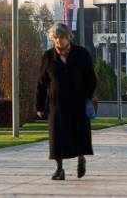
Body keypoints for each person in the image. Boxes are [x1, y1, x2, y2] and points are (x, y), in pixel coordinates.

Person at [36, 23, 97, 180]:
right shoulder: (48, 57)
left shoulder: (81, 54)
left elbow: (91, 79)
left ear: (68, 37)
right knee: (57, 138)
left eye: (61, 37)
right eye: (55, 38)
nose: (58, 41)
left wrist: (87, 97)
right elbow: (41, 83)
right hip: (57, 105)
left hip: (78, 104)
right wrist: (39, 105)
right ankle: (59, 169)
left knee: (79, 135)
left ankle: (81, 159)